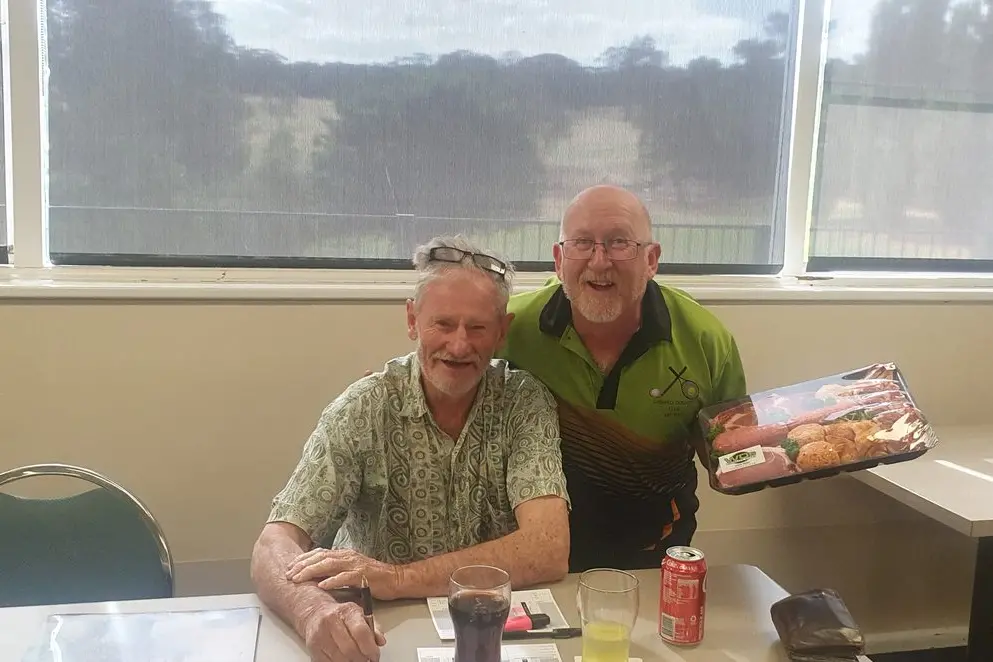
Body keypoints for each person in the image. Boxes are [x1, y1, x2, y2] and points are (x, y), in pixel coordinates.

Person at [250, 236, 571, 662]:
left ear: (501, 333)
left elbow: (548, 548)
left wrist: (396, 576)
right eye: (443, 324)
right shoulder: (363, 407)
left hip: (487, 636)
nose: (459, 346)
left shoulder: (524, 403)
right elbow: (273, 543)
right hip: (380, 634)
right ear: (412, 319)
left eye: (477, 328)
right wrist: (313, 611)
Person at [500, 184, 747, 573]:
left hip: (655, 556)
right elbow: (440, 375)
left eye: (619, 243)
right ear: (558, 259)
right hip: (529, 561)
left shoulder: (704, 340)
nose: (599, 262)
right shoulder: (510, 330)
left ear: (652, 259)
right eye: (582, 243)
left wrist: (791, 452)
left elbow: (730, 459)